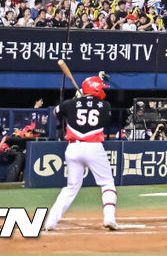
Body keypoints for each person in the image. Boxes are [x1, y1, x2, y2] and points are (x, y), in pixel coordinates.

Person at [44, 76, 119, 232]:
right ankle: (109, 218)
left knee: (71, 188)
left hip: (73, 149)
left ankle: (51, 221)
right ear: (95, 89)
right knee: (107, 183)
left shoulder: (69, 104)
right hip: (93, 148)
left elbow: (55, 112)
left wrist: (76, 100)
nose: (103, 90)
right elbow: (97, 111)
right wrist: (82, 101)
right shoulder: (105, 106)